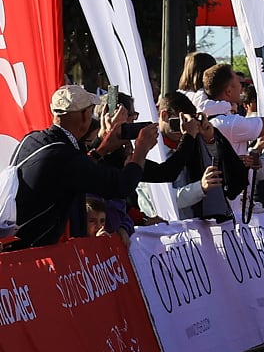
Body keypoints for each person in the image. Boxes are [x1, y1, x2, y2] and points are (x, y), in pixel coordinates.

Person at [9, 86, 157, 247]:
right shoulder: (65, 157)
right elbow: (121, 186)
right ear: (85, 115)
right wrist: (141, 150)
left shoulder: (32, 140)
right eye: (90, 110)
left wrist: (102, 145)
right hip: (39, 254)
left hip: (18, 246)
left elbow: (79, 164)